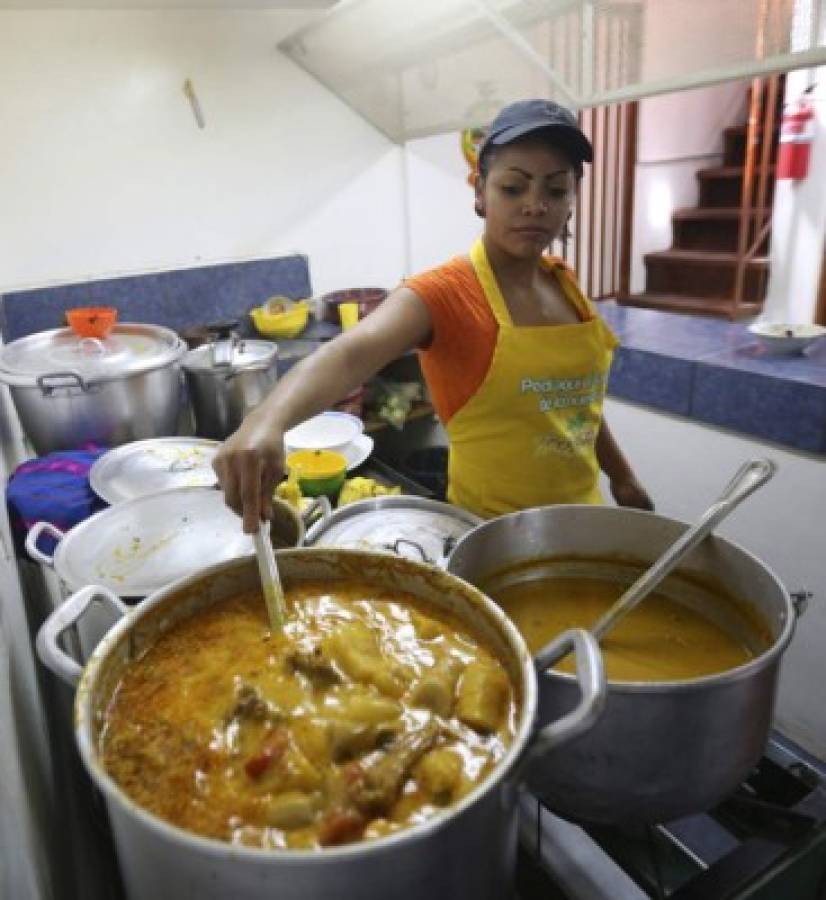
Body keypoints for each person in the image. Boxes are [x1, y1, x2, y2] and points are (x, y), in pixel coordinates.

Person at [214, 98, 653, 533]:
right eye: (513, 187)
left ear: (572, 201)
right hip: (492, 534)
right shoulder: (445, 293)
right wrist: (264, 422)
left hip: (584, 517)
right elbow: (350, 355)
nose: (535, 205)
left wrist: (621, 475)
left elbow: (577, 406)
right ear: (480, 192)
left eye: (555, 190)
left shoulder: (565, 284)